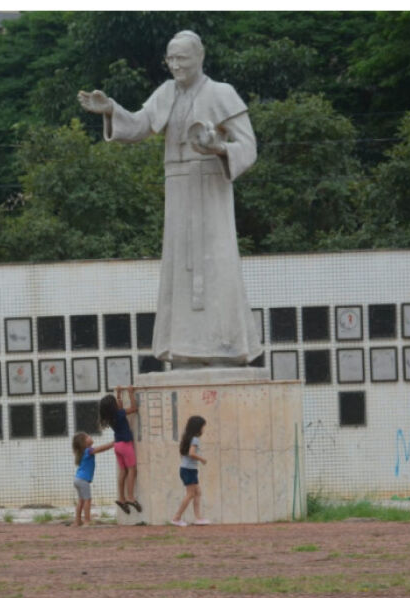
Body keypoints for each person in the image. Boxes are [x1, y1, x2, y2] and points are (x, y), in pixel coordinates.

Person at [78, 30, 262, 366]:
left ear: (200, 56)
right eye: (171, 59)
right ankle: (185, 350)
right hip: (178, 191)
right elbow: (139, 125)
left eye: (182, 58)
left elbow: (248, 148)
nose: (175, 65)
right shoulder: (166, 93)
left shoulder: (222, 93)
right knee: (179, 269)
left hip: (210, 189)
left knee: (217, 266)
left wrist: (218, 147)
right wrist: (110, 109)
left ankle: (226, 348)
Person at [99, 386, 142, 514]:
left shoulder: (111, 417)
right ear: (114, 406)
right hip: (126, 445)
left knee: (123, 471)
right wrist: (130, 393)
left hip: (117, 446)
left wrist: (118, 394)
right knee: (132, 470)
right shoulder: (119, 414)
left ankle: (122, 498)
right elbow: (134, 408)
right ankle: (130, 497)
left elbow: (120, 406)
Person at [171, 415, 210, 526]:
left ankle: (198, 518)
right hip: (189, 470)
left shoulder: (187, 438)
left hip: (186, 469)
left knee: (197, 492)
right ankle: (176, 518)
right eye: (203, 427)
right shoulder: (195, 439)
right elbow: (191, 453)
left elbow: (183, 454)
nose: (203, 429)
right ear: (198, 428)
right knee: (190, 494)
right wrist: (202, 459)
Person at [72, 431, 114, 527]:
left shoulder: (83, 453)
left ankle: (77, 521)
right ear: (84, 442)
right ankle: (87, 521)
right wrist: (113, 443)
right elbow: (101, 448)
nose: (90, 437)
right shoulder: (88, 451)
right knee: (87, 500)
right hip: (83, 480)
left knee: (81, 500)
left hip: (77, 479)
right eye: (88, 437)